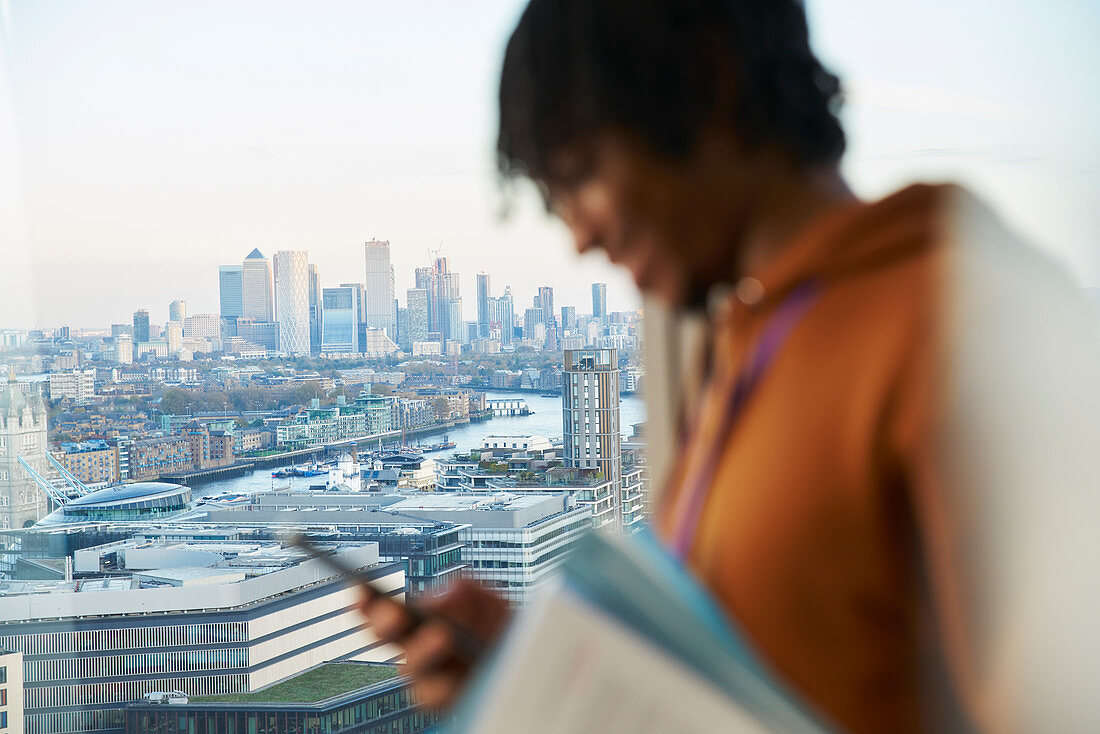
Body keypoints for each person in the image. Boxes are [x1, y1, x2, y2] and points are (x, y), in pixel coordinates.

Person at [359, 1, 1100, 731]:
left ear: (707, 84)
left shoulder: (966, 315)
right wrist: (527, 667)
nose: (581, 235)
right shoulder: (754, 341)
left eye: (582, 173)